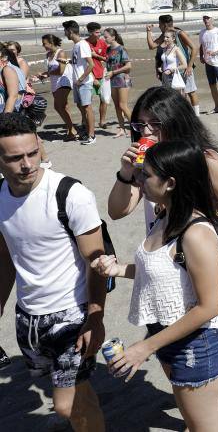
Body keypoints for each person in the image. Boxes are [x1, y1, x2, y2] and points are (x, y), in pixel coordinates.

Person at [107, 87, 218, 425]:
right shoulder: (146, 166)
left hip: (200, 247)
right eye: (139, 124)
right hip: (163, 249)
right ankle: (208, 403)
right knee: (193, 327)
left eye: (154, 124)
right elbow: (117, 211)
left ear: (175, 121)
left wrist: (190, 224)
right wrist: (127, 172)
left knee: (216, 326)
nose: (145, 132)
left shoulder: (204, 158)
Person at [0, 113, 107, 432]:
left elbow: (97, 261)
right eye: (15, 158)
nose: (27, 164)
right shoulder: (0, 198)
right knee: (79, 398)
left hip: (70, 316)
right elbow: (5, 258)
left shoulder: (70, 194)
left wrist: (95, 317)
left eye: (32, 153)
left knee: (66, 403)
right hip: (29, 318)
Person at [146, 15, 200, 115]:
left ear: (164, 24)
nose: (158, 26)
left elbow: (194, 48)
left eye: (160, 24)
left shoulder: (179, 33)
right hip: (171, 71)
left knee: (190, 92)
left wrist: (189, 66)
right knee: (179, 95)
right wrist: (148, 31)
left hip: (184, 69)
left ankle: (196, 116)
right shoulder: (164, 35)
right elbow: (152, 46)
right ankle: (185, 114)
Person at [37, 34, 77, 140]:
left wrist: (48, 74)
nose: (43, 45)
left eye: (44, 43)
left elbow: (61, 71)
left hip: (63, 81)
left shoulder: (61, 53)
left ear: (51, 43)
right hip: (55, 83)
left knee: (58, 106)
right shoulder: (48, 54)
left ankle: (72, 130)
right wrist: (44, 74)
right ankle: (70, 129)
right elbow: (52, 70)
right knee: (64, 107)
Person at [63, 20, 96, 145]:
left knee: (87, 108)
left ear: (70, 31)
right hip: (77, 82)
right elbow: (79, 63)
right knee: (81, 107)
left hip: (83, 82)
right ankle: (87, 131)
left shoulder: (82, 44)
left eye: (65, 31)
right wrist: (68, 61)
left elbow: (91, 64)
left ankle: (92, 135)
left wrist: (81, 79)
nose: (65, 33)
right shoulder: (76, 45)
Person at [103, 28, 132, 139]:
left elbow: (128, 66)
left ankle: (136, 128)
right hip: (112, 80)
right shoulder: (108, 49)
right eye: (104, 36)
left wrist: (113, 72)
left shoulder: (121, 49)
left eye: (106, 37)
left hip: (122, 79)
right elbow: (109, 63)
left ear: (113, 37)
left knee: (123, 105)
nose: (104, 39)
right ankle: (122, 129)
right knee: (117, 106)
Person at [86, 23, 110, 128]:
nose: (99, 34)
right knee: (87, 102)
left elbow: (107, 58)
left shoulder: (102, 43)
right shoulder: (84, 44)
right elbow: (84, 63)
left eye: (99, 31)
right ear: (90, 32)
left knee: (104, 99)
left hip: (101, 74)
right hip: (88, 76)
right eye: (97, 32)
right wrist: (92, 77)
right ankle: (85, 122)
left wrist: (95, 55)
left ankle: (102, 121)